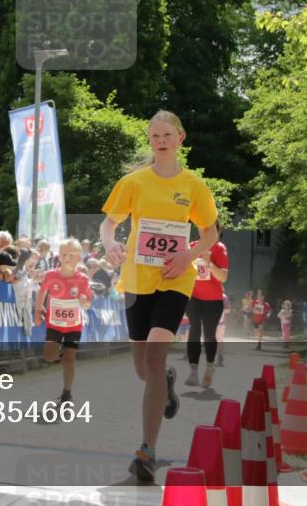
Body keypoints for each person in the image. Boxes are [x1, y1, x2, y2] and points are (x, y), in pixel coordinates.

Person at [100, 110, 218, 482]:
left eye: (167, 134)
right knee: (144, 369)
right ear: (150, 140)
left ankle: (146, 450)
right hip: (137, 280)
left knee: (153, 356)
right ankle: (165, 381)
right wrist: (110, 244)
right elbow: (109, 223)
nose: (161, 141)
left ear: (180, 137)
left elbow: (211, 232)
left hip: (175, 278)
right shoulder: (133, 182)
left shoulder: (194, 185)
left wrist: (187, 255)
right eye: (155, 136)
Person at [34, 238, 93, 404]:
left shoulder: (82, 279)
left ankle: (67, 393)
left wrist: (83, 301)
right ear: (59, 256)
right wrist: (38, 312)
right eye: (64, 254)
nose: (67, 258)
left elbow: (87, 303)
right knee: (49, 357)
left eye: (71, 255)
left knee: (69, 359)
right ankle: (60, 351)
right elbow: (42, 292)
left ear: (79, 257)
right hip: (55, 325)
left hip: (74, 326)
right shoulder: (51, 275)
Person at [183, 222, 229, 388]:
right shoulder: (192, 246)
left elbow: (223, 277)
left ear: (216, 230)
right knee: (194, 331)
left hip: (213, 300)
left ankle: (209, 368)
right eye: (201, 226)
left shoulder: (219, 248)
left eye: (208, 227)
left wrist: (209, 264)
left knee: (209, 335)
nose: (203, 229)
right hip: (194, 298)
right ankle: (193, 372)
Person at [216, 293, 230, 366]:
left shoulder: (224, 297)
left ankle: (220, 358)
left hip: (220, 323)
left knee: (220, 340)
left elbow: (228, 310)